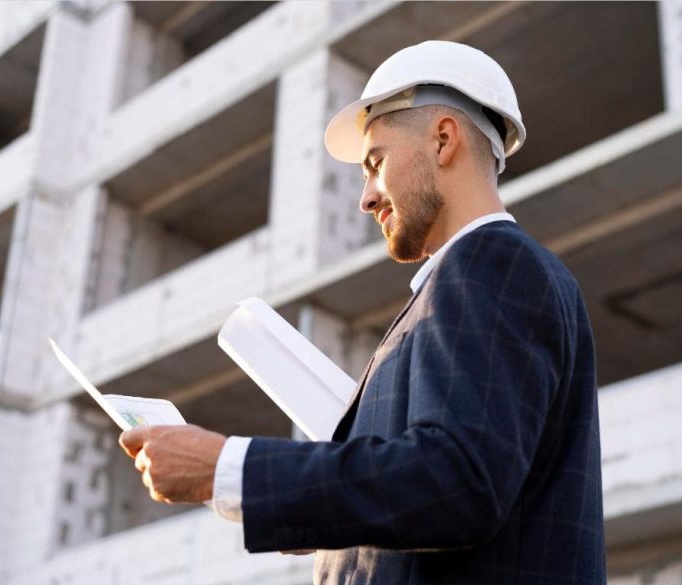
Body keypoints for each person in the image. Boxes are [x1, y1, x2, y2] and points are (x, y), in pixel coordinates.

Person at [120, 40, 605, 584]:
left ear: (443, 140)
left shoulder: (491, 263)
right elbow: (440, 496)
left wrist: (225, 467)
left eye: (375, 163)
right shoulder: (466, 280)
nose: (366, 198)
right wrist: (330, 521)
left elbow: (458, 483)